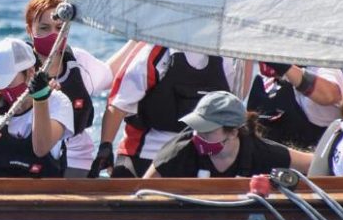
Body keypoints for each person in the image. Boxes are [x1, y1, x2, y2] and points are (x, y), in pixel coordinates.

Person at [92, 42, 236, 178]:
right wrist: (105, 147)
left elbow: (233, 103)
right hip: (144, 157)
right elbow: (118, 104)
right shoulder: (154, 51)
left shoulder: (224, 57)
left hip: (197, 159)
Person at [24, 0, 113, 178]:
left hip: (77, 159)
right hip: (27, 159)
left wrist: (138, 42)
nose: (53, 35)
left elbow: (114, 75)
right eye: (44, 28)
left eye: (59, 27)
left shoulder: (80, 62)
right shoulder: (19, 65)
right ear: (29, 30)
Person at [0, 38, 73, 178]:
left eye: (7, 81)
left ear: (30, 73)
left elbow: (41, 148)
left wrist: (40, 99)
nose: (3, 88)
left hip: (42, 195)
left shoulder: (58, 102)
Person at [144, 91, 310, 178]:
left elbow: (313, 164)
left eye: (208, 131)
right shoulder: (177, 152)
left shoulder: (260, 152)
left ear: (233, 132)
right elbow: (141, 193)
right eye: (197, 128)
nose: (199, 136)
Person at [246, 62, 343, 149]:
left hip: (306, 165)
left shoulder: (322, 68)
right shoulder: (262, 78)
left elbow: (329, 95)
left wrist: (283, 66)